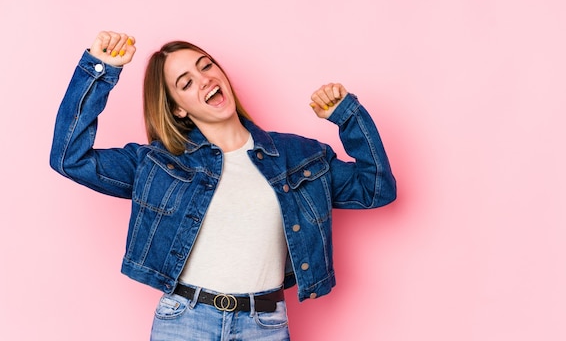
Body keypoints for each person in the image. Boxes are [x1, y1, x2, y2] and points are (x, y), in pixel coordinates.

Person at [50, 30, 397, 340]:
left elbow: (376, 189)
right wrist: (99, 71)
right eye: (185, 83)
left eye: (205, 66)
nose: (203, 80)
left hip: (265, 325)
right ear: (179, 110)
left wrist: (347, 117)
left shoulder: (297, 156)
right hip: (184, 323)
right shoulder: (158, 163)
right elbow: (70, 158)